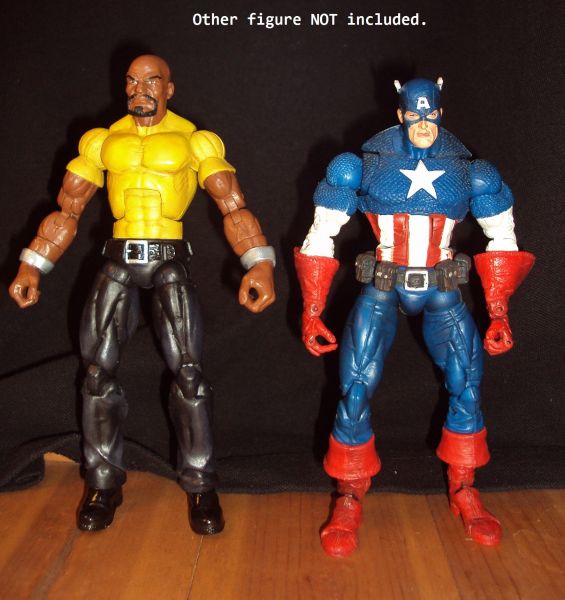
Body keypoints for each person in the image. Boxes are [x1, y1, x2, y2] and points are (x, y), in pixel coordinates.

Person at [9, 55, 276, 535]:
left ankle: (200, 484)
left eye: (152, 81)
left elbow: (232, 204)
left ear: (169, 88)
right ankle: (103, 483)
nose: (140, 90)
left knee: (190, 375)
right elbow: (67, 209)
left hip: (170, 259)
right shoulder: (102, 141)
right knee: (96, 374)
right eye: (132, 81)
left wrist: (258, 262)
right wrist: (33, 264)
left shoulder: (194, 140)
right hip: (118, 258)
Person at [295, 78, 534, 557]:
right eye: (415, 115)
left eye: (431, 115)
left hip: (443, 289)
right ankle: (349, 491)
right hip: (383, 285)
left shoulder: (471, 173)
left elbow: (503, 236)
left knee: (467, 381)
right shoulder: (361, 167)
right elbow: (322, 233)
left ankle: (464, 486)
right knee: (355, 383)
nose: (424, 124)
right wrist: (313, 309)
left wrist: (499, 310)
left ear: (441, 112)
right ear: (401, 114)